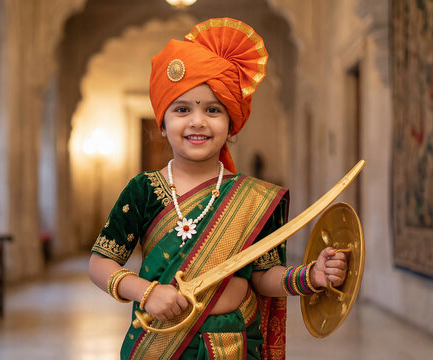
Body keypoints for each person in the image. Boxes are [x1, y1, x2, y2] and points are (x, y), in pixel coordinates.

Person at [88, 17, 348, 359]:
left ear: (231, 125)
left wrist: (310, 275)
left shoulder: (254, 199)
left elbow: (264, 275)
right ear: (163, 125)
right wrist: (147, 292)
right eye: (182, 109)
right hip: (159, 344)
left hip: (235, 346)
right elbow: (100, 262)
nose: (197, 121)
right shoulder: (143, 189)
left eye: (213, 110)